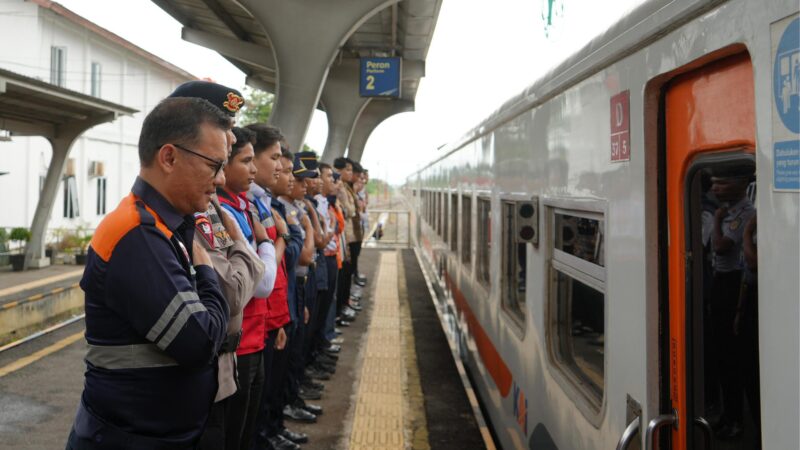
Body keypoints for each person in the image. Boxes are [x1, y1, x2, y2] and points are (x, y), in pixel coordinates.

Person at [66, 97, 232, 449]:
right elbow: (200, 343)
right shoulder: (138, 235)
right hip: (127, 439)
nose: (220, 179)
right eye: (214, 165)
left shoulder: (165, 226)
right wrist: (205, 271)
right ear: (169, 157)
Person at [166, 81, 277, 450]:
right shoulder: (198, 212)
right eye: (223, 129)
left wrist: (243, 256)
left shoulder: (210, 208)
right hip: (202, 374)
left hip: (223, 367)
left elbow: (242, 276)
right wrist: (252, 248)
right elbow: (232, 292)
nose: (231, 139)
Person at [245, 126, 303, 450]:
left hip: (269, 317)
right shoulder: (238, 209)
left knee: (266, 394)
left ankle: (272, 430)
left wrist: (278, 319)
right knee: (247, 418)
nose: (281, 168)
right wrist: (282, 237)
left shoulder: (260, 204)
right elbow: (263, 277)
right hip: (251, 328)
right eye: (276, 158)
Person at [708, 167, 756, 439]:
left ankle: (737, 421)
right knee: (721, 354)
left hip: (733, 286)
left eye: (722, 182)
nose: (716, 188)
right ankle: (728, 414)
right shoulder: (729, 211)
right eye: (714, 183)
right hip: (721, 282)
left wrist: (716, 221)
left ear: (740, 183)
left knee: (732, 355)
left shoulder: (744, 213)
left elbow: (720, 246)